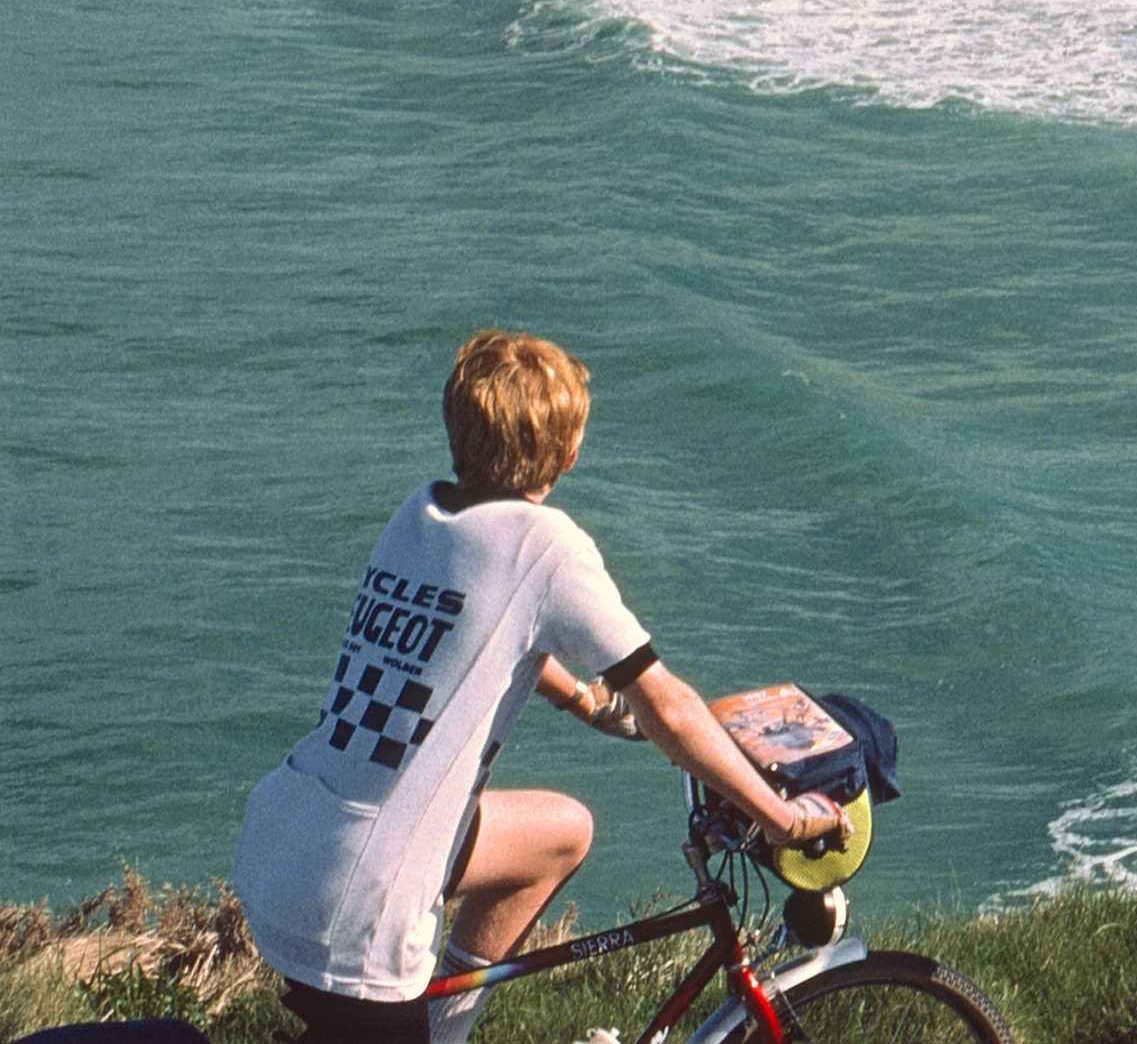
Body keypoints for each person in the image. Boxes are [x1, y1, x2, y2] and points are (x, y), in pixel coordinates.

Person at [233, 331, 847, 1044]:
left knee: (560, 832)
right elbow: (669, 707)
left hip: (291, 835)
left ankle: (447, 1031)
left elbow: (470, 629)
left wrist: (582, 700)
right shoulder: (546, 546)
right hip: (357, 908)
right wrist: (780, 817)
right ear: (567, 453)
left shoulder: (421, 513)